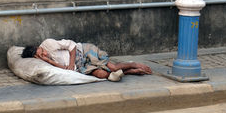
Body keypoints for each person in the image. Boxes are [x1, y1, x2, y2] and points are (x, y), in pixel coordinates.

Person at [21, 38, 152, 82]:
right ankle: (129, 71)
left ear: (39, 47)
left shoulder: (48, 43)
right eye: (41, 55)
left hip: (83, 51)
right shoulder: (44, 64)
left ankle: (133, 64)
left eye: (42, 50)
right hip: (80, 65)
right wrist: (49, 61)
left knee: (112, 68)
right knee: (104, 75)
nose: (45, 53)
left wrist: (71, 64)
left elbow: (71, 45)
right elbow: (67, 69)